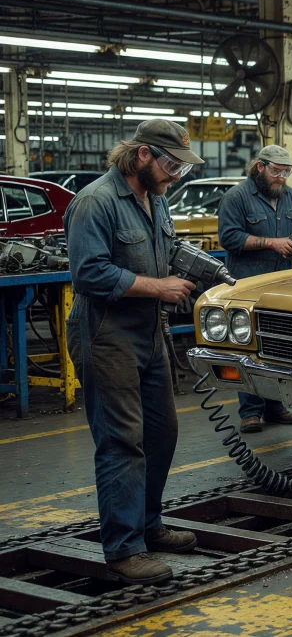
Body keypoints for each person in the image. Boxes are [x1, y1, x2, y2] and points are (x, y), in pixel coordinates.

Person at [64, 119, 204, 584]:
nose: (174, 176)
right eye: (170, 165)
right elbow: (89, 274)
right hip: (107, 335)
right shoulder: (95, 202)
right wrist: (156, 286)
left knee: (162, 432)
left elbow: (164, 250)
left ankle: (148, 525)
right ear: (142, 154)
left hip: (150, 333)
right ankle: (124, 549)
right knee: (123, 440)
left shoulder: (156, 199)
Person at [218, 145, 292, 433]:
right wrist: (271, 242)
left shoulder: (291, 198)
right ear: (260, 167)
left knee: (278, 343)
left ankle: (276, 406)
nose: (281, 178)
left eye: (286, 172)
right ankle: (250, 411)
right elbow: (229, 238)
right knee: (249, 346)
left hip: (282, 283)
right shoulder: (237, 197)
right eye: (276, 171)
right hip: (248, 283)